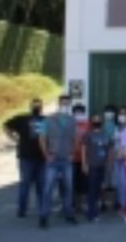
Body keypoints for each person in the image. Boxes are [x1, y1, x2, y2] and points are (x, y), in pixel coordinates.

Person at [38, 94, 77, 229]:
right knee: (47, 188)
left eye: (67, 103)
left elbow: (76, 138)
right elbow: (42, 138)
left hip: (66, 159)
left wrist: (72, 153)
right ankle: (44, 216)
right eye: (63, 103)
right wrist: (46, 155)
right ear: (58, 104)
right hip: (53, 159)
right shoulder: (49, 120)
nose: (65, 105)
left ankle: (69, 214)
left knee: (68, 188)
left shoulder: (72, 120)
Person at [4, 98, 46, 219]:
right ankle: (22, 210)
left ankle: (42, 209)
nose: (37, 107)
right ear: (30, 107)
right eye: (35, 105)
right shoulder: (21, 119)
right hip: (26, 157)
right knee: (25, 185)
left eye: (38, 105)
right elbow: (6, 126)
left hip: (41, 157)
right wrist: (14, 139)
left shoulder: (45, 120)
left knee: (41, 185)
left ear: (42, 107)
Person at [82, 113, 110, 222]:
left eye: (99, 120)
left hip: (102, 165)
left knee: (98, 189)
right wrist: (84, 164)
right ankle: (91, 214)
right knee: (91, 190)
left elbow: (108, 149)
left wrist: (107, 163)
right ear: (92, 122)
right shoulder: (88, 134)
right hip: (92, 165)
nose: (97, 122)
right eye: (95, 120)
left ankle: (96, 212)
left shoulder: (105, 134)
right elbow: (84, 149)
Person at [71, 103, 89, 213]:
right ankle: (72, 204)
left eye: (80, 112)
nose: (78, 115)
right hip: (71, 158)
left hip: (84, 159)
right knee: (71, 182)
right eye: (76, 113)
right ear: (73, 114)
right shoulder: (69, 124)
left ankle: (82, 204)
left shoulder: (88, 125)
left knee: (84, 182)